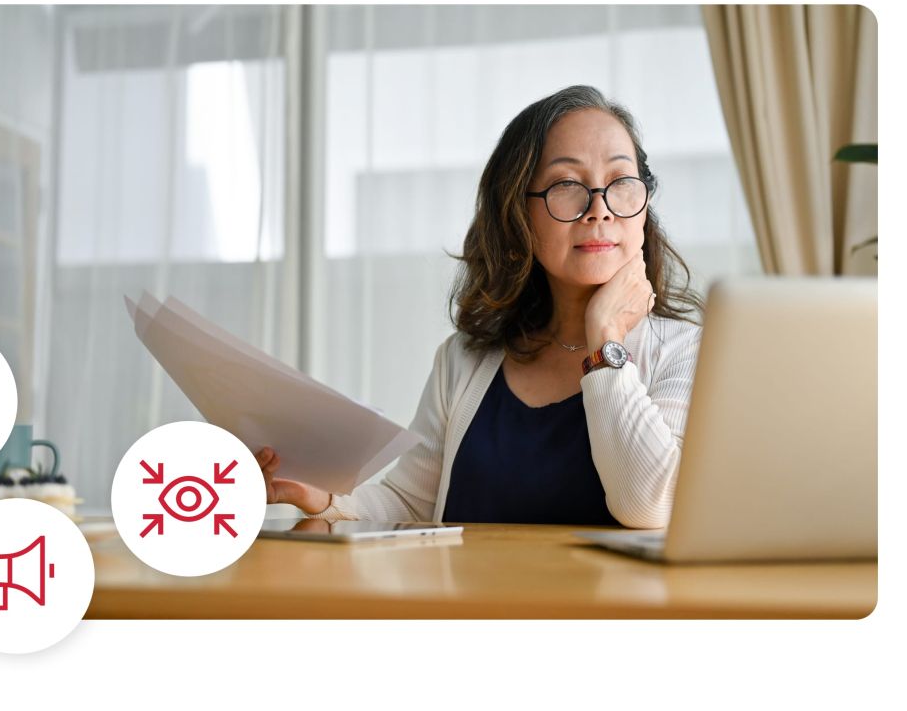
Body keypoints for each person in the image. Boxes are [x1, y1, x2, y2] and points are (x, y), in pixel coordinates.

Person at [258, 85, 704, 528]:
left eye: (621, 182)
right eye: (567, 184)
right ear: (518, 213)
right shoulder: (463, 359)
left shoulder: (687, 351)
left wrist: (605, 338)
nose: (600, 209)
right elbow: (409, 505)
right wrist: (324, 497)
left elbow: (649, 505)